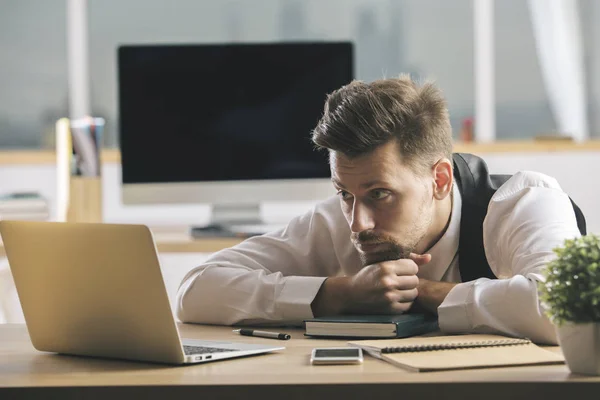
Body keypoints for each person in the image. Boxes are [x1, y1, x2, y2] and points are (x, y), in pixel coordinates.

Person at [176, 76, 584, 344]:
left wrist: (426, 294)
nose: (357, 222)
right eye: (344, 193)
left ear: (439, 180)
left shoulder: (524, 201)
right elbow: (195, 289)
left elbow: (567, 309)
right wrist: (335, 295)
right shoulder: (338, 217)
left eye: (380, 194)